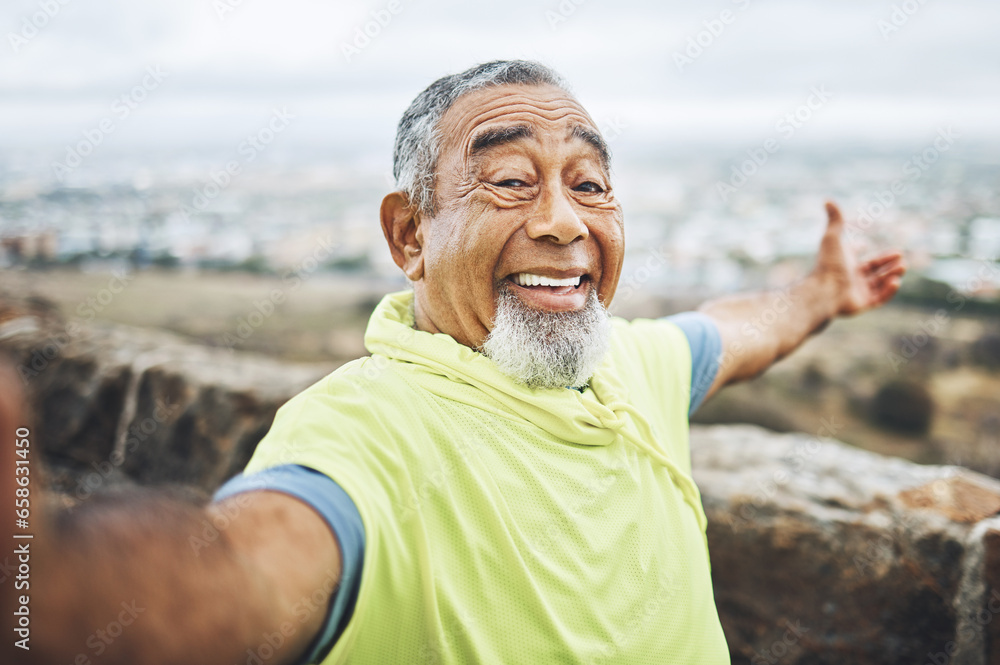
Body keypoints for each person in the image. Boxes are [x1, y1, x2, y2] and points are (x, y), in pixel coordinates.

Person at [8, 60, 905, 665]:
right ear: (410, 234)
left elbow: (737, 328)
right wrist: (52, 587)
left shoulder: (632, 364)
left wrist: (822, 293)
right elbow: (244, 571)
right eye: (511, 180)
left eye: (589, 184)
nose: (564, 221)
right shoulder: (369, 430)